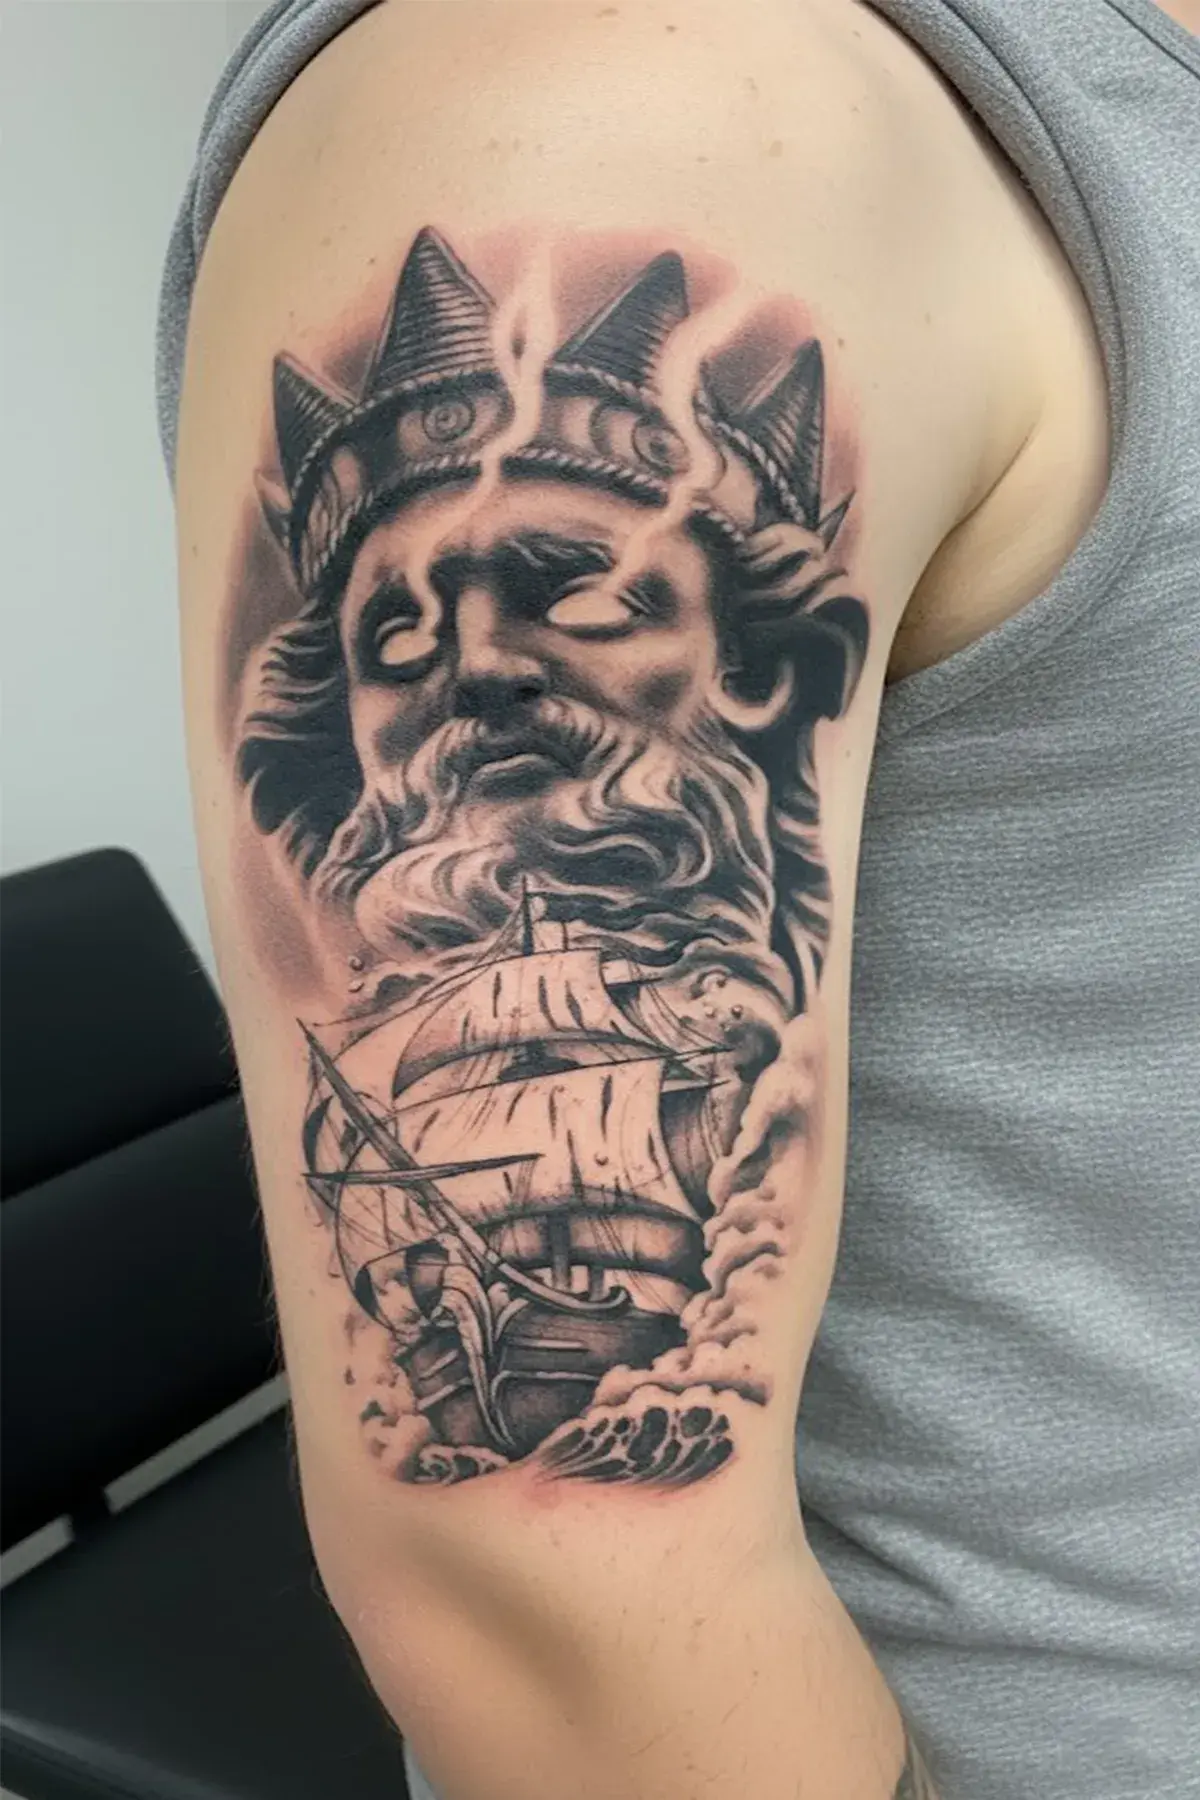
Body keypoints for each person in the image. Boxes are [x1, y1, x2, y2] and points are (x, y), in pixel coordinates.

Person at [160, 1, 1199, 1795]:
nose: (479, 669)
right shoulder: (634, 90)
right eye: (400, 636)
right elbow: (542, 1603)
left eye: (578, 597)